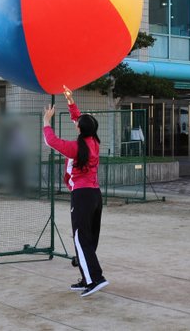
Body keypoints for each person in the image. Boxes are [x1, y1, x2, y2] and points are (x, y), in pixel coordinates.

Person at [43, 86, 109, 297]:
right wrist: (71, 101)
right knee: (88, 239)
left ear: (80, 129)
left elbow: (51, 141)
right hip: (95, 195)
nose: (76, 123)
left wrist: (46, 122)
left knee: (81, 239)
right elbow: (79, 120)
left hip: (82, 196)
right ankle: (86, 277)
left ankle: (95, 279)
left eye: (78, 124)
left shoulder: (76, 148)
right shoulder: (94, 141)